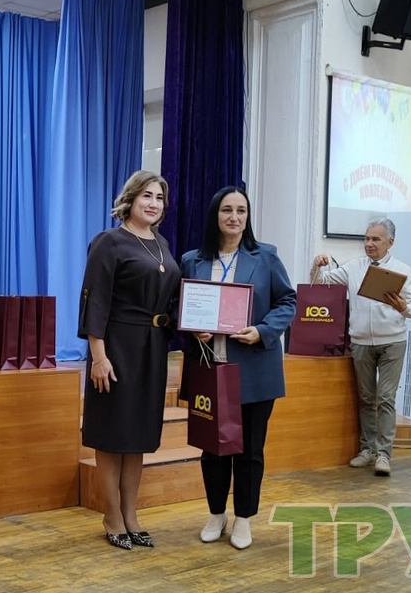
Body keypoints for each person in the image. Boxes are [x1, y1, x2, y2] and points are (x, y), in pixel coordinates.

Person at [179, 186, 296, 550]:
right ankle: (216, 513)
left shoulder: (266, 256)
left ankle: (244, 518)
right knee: (212, 449)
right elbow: (179, 305)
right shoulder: (192, 260)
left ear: (248, 217)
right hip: (209, 369)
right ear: (215, 215)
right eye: (227, 210)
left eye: (241, 211)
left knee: (249, 451)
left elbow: (287, 301)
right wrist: (191, 327)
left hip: (254, 371)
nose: (234, 217)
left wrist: (262, 331)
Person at [79, 170, 180, 551]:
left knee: (137, 437)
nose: (153, 203)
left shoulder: (162, 243)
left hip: (152, 349)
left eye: (159, 198)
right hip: (117, 347)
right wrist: (98, 357)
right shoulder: (109, 241)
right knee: (112, 436)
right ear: (131, 199)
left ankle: (131, 514)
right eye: (147, 196)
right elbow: (95, 301)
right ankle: (112, 516)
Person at [312, 216, 411, 478]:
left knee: (385, 398)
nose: (369, 243)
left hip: (393, 342)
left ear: (390, 242)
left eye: (375, 239)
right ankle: (367, 449)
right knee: (365, 398)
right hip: (361, 342)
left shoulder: (402, 270)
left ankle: (384, 454)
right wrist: (316, 265)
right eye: (367, 238)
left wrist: (404, 308)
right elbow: (319, 283)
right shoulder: (353, 267)